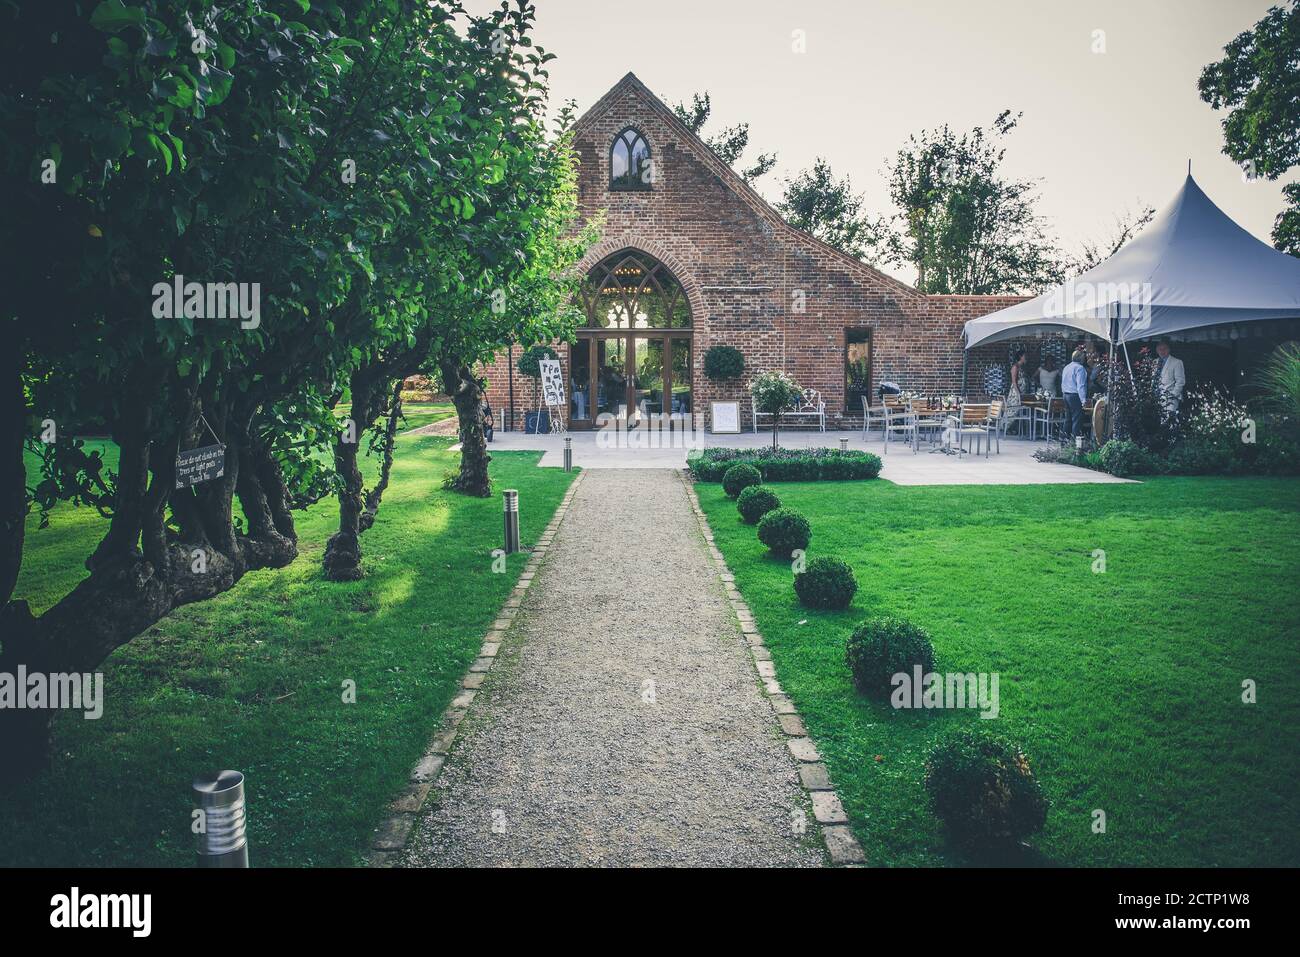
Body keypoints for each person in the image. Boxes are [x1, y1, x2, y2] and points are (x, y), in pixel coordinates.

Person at [1061, 349, 1089, 443]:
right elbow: (1081, 385)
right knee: (1077, 420)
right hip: (1074, 396)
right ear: (1081, 358)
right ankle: (1074, 444)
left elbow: (1063, 382)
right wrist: (1083, 400)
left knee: (1068, 419)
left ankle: (1064, 441)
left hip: (1065, 395)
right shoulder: (1080, 368)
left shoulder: (1067, 367)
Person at [1154, 339, 1186, 414]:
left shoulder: (1177, 362)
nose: (1162, 351)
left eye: (1164, 349)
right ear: (1157, 350)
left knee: (1169, 423)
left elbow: (1180, 382)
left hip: (1170, 399)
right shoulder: (1154, 362)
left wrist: (1172, 396)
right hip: (1155, 398)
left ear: (1169, 349)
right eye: (1159, 349)